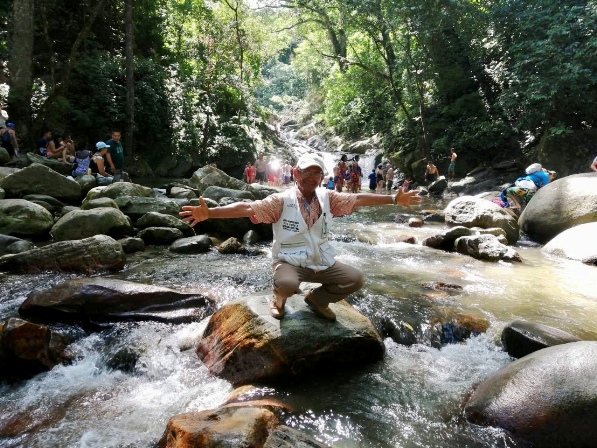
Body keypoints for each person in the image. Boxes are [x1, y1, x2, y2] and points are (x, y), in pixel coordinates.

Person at [180, 153, 422, 321]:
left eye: (316, 174)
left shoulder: (330, 198)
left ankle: (317, 300)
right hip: (289, 263)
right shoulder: (280, 200)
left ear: (321, 177)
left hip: (321, 263)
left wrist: (393, 199)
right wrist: (210, 213)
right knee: (287, 285)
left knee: (355, 279)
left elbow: (358, 199)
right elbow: (247, 207)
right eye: (306, 172)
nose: (311, 177)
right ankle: (277, 300)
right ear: (296, 173)